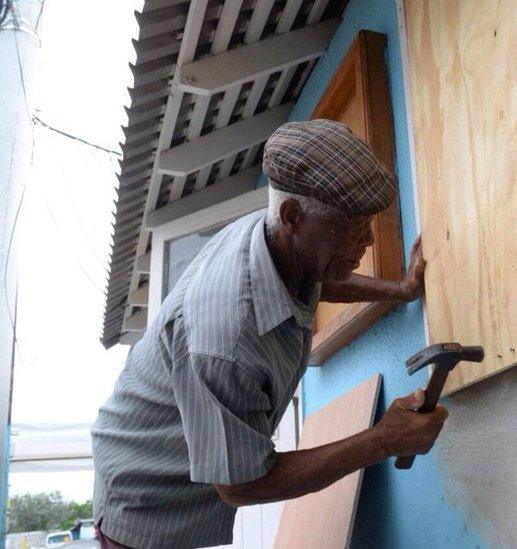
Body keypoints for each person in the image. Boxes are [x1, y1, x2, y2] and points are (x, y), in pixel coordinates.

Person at [91, 120, 447, 549]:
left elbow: (317, 277)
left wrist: (401, 291)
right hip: (145, 503)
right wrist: (384, 440)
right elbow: (240, 485)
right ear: (292, 216)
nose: (369, 241)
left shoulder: (277, 241)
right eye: (352, 228)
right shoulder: (227, 339)